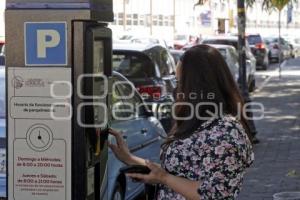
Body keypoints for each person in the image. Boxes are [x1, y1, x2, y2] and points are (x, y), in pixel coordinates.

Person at [109, 45, 254, 200]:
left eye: (179, 81)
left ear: (198, 86)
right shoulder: (198, 122)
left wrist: (164, 178)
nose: (176, 89)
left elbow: (216, 194)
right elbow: (178, 173)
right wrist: (129, 158)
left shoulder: (225, 130)